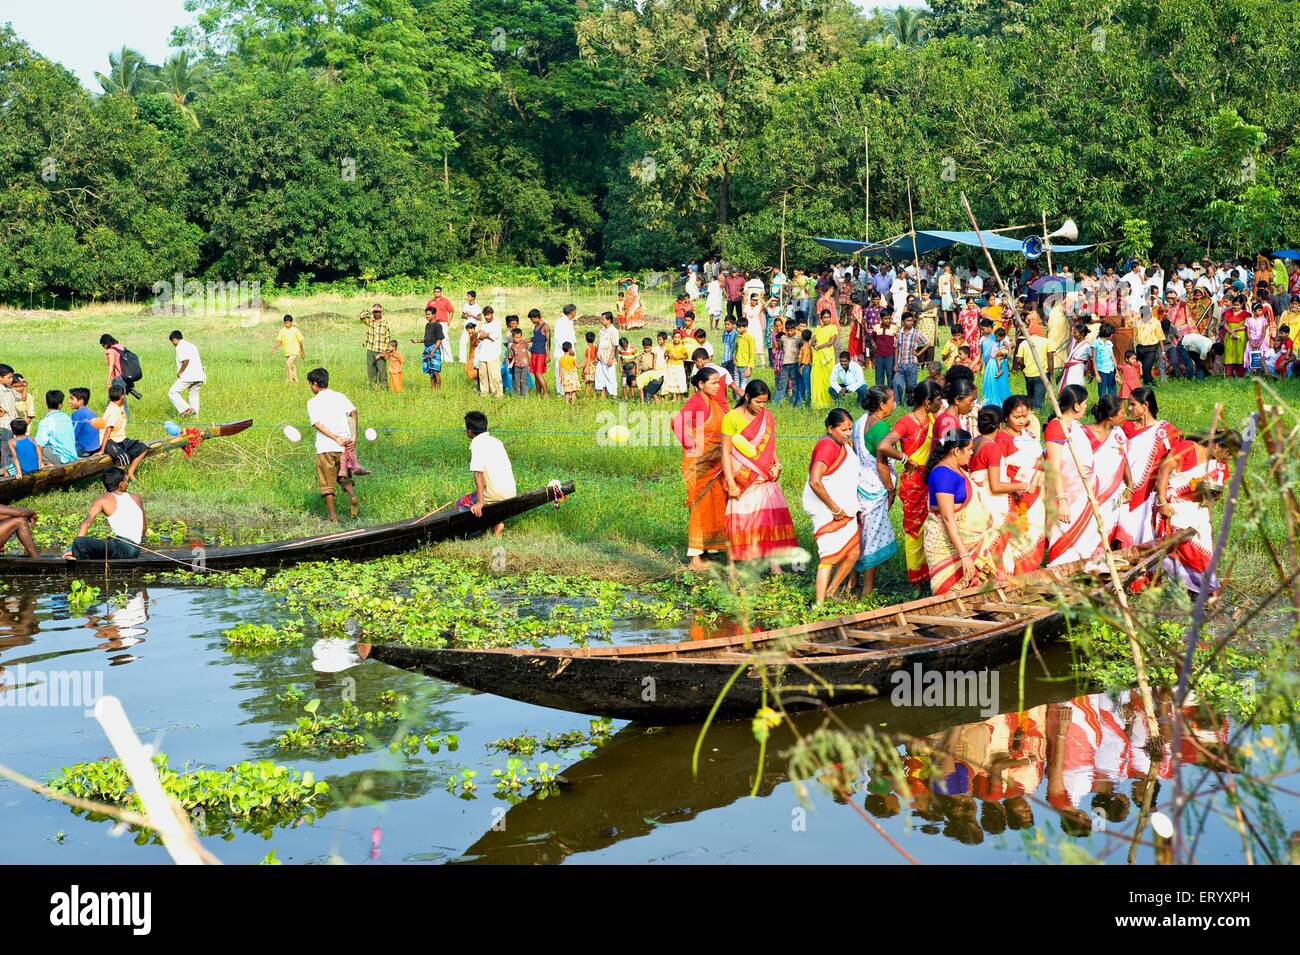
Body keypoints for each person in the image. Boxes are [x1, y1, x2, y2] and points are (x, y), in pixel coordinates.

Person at [1155, 429, 1242, 598]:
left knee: (1206, 543)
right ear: (1218, 447)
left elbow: (1208, 498)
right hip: (1172, 504)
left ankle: (1202, 590)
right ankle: (1205, 590)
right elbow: (1163, 472)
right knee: (1188, 544)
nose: (1229, 459)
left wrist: (1211, 495)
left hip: (1196, 510)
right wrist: (1162, 503)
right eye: (1229, 454)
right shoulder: (1188, 448)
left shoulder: (1218, 467)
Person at [720, 380, 799, 566]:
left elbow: (769, 445)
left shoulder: (766, 416)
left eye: (765, 402)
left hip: (765, 476)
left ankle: (774, 566)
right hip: (743, 478)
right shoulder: (731, 417)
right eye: (758, 402)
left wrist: (777, 464)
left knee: (769, 520)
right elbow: (725, 451)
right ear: (747, 397)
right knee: (743, 520)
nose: (762, 406)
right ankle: (737, 565)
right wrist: (731, 482)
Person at [877, 379, 944, 587]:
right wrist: (905, 459)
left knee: (933, 527)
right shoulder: (906, 422)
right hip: (914, 481)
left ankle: (933, 573)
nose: (941, 403)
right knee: (914, 530)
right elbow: (884, 445)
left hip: (931, 479)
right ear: (927, 402)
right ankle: (916, 580)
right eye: (938, 399)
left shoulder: (936, 420)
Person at [923, 427, 1000, 595]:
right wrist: (964, 556)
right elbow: (947, 517)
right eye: (969, 449)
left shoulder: (956, 469)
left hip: (966, 539)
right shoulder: (943, 475)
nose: (972, 453)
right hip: (947, 544)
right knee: (950, 592)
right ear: (956, 451)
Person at [671, 367, 729, 570]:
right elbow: (677, 422)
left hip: (716, 464)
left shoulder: (712, 402)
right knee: (699, 508)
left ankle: (707, 551)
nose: (717, 386)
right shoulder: (696, 402)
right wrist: (691, 445)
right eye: (713, 383)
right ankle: (695, 558)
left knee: (714, 506)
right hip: (700, 465)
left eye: (718, 382)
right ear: (701, 384)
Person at [804, 409, 861, 603]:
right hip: (827, 508)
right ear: (830, 429)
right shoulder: (827, 447)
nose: (847, 433)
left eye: (850, 429)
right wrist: (835, 509)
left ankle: (831, 590)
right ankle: (819, 605)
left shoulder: (843, 444)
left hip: (843, 506)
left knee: (853, 551)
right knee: (827, 557)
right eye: (843, 429)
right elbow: (815, 482)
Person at [1045, 384, 1102, 566]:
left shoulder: (1075, 426)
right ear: (1076, 406)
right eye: (1084, 403)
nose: (1086, 407)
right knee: (1064, 536)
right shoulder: (1056, 427)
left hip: (1083, 494)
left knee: (1085, 540)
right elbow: (1054, 467)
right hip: (1066, 495)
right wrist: (1061, 500)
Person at [1117, 387, 1180, 548]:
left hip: (1153, 493)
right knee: (1125, 532)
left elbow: (1176, 463)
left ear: (1145, 406)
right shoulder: (1125, 428)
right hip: (1127, 489)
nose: (1129, 409)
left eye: (1132, 405)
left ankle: (1145, 571)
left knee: (1146, 532)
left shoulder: (1166, 431)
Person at [852, 386, 901, 595]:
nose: (895, 404)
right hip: (876, 487)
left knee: (858, 535)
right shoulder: (881, 428)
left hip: (859, 483)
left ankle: (851, 583)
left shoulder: (859, 422)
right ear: (882, 405)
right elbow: (882, 465)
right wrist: (890, 489)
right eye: (892, 400)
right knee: (872, 538)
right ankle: (867, 591)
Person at [306, 367, 359, 522]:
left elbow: (317, 424)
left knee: (327, 484)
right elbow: (354, 413)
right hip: (345, 447)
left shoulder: (312, 402)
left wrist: (335, 437)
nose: (311, 388)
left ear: (315, 384)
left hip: (325, 448)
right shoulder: (340, 397)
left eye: (311, 384)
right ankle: (352, 496)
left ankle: (333, 518)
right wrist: (354, 437)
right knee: (344, 476)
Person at [60, 467, 145, 561]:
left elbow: (86, 524)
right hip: (136, 550)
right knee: (106, 544)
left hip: (122, 549)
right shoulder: (136, 498)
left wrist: (74, 547)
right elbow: (144, 527)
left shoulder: (102, 500)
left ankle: (74, 554)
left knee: (79, 542)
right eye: (126, 481)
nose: (126, 483)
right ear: (121, 484)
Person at [1084, 395, 1133, 549]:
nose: (1125, 416)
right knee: (1091, 533)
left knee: (1111, 532)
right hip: (1091, 494)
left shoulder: (1118, 434)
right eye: (1122, 413)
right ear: (1110, 417)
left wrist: (1130, 486)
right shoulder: (1084, 434)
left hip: (1114, 494)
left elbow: (1123, 461)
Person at [457, 411, 517, 535]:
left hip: (495, 494)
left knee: (460, 504)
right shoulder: (496, 441)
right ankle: (495, 522)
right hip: (511, 492)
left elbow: (478, 474)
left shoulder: (477, 444)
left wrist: (480, 502)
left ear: (470, 431)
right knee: (480, 499)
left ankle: (486, 527)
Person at [98, 385, 149, 482]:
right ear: (122, 397)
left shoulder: (118, 406)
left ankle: (130, 472)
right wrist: (102, 449)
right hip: (109, 441)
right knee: (123, 457)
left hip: (121, 439)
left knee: (144, 446)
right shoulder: (113, 411)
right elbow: (108, 431)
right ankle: (120, 480)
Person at [892, 312, 928, 407]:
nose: (910, 322)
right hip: (900, 364)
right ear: (903, 322)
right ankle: (897, 403)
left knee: (911, 386)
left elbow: (927, 343)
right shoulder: (899, 333)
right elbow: (896, 348)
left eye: (912, 320)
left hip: (912, 364)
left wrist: (918, 353)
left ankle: (908, 404)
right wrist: (896, 364)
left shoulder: (916, 333)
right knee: (898, 384)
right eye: (908, 320)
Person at [168, 330, 206, 416]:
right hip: (199, 375)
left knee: (172, 392)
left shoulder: (180, 346)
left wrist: (180, 372)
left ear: (174, 340)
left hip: (189, 375)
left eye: (172, 342)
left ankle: (187, 409)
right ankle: (195, 417)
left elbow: (186, 360)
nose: (173, 344)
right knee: (194, 395)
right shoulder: (192, 346)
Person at [34, 390, 77, 466]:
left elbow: (39, 445)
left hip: (61, 459)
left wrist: (39, 462)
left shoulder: (46, 421)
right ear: (60, 405)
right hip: (72, 456)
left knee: (32, 445)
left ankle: (46, 464)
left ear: (46, 403)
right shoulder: (66, 417)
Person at [810, 309, 839, 409]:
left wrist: (819, 346)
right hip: (818, 356)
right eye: (824, 317)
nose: (827, 319)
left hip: (828, 357)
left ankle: (829, 401)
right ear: (821, 318)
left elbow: (831, 342)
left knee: (828, 379)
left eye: (828, 317)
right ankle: (818, 403)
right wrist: (815, 345)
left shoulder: (833, 328)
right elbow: (812, 342)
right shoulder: (818, 328)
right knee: (816, 378)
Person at [413, 306, 445, 391]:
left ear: (434, 315)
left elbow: (439, 340)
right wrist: (417, 341)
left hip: (434, 349)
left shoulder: (438, 325)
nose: (427, 316)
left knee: (436, 371)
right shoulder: (427, 325)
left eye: (429, 314)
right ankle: (433, 390)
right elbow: (427, 339)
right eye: (426, 314)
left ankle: (438, 390)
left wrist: (433, 351)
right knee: (430, 372)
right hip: (427, 349)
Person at [474, 307, 503, 397]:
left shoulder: (497, 324)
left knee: (494, 377)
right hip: (483, 354)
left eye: (488, 315)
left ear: (492, 313)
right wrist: (486, 334)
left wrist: (485, 334)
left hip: (493, 354)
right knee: (483, 376)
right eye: (485, 315)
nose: (487, 317)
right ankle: (484, 394)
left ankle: (498, 395)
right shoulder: (484, 325)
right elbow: (479, 336)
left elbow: (493, 336)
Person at [360, 304, 391, 386]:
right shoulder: (369, 321)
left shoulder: (385, 322)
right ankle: (372, 387)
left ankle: (384, 387)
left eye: (378, 312)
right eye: (375, 312)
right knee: (371, 370)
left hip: (381, 350)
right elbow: (361, 316)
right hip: (370, 349)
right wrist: (369, 311)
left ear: (381, 312)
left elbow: (387, 337)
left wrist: (385, 351)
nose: (377, 313)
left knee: (382, 371)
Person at [1057, 323, 1091, 395]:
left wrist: (1090, 371)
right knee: (1067, 383)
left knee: (1074, 384)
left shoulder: (1087, 345)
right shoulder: (1074, 342)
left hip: (1077, 368)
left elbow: (1093, 358)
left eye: (1075, 333)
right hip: (1069, 367)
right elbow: (1069, 356)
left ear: (1082, 334)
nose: (1073, 334)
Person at [426, 286, 455, 366]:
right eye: (435, 291)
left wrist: (448, 322)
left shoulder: (445, 301)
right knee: (437, 341)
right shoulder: (431, 302)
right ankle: (441, 358)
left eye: (438, 292)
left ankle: (449, 359)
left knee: (445, 340)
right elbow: (427, 312)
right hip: (434, 323)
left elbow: (451, 311)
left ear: (441, 292)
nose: (437, 293)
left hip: (443, 323)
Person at [67, 388, 101, 457]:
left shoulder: (77, 414)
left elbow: (72, 435)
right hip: (95, 448)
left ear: (81, 401)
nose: (69, 401)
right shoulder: (93, 413)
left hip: (83, 449)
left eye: (72, 399)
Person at [524, 309, 550, 398]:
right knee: (535, 374)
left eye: (532, 319)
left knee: (539, 374)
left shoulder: (545, 326)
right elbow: (535, 337)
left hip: (540, 353)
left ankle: (547, 394)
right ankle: (538, 394)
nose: (532, 321)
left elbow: (548, 341)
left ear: (537, 317)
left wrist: (548, 354)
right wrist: (527, 340)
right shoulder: (536, 326)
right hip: (534, 352)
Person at [553, 304, 577, 395]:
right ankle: (561, 392)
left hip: (570, 352)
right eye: (575, 311)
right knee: (561, 372)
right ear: (571, 312)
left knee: (570, 372)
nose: (575, 313)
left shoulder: (570, 322)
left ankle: (569, 390)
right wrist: (568, 349)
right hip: (562, 352)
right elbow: (559, 338)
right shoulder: (561, 322)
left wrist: (574, 344)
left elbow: (571, 336)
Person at [981, 333, 1011, 406]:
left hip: (1000, 358)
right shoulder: (991, 340)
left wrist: (1007, 353)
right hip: (994, 362)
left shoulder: (1004, 340)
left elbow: (1009, 347)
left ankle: (1000, 370)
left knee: (1001, 384)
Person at [595, 312, 620, 398]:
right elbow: (599, 343)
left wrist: (611, 358)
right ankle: (603, 394)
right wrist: (596, 355)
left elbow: (615, 345)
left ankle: (614, 395)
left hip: (608, 358)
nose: (601, 321)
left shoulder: (613, 331)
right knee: (600, 376)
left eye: (603, 319)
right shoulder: (601, 330)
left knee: (611, 377)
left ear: (609, 320)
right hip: (601, 358)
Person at [275, 314, 306, 384]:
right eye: (285, 323)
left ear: (291, 322)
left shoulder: (295, 330)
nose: (286, 324)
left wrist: (302, 351)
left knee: (288, 363)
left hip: (295, 350)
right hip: (287, 351)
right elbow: (280, 341)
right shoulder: (282, 330)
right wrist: (275, 347)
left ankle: (290, 379)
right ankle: (296, 380)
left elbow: (300, 341)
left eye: (288, 323)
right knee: (292, 366)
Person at [1092, 323, 1117, 397]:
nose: (1112, 335)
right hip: (1101, 371)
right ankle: (1103, 406)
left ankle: (1112, 406)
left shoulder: (1109, 343)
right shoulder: (1096, 343)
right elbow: (1094, 360)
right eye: (1111, 333)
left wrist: (1117, 371)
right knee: (1102, 391)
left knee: (1112, 390)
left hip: (1111, 369)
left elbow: (1113, 357)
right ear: (1107, 333)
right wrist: (1097, 375)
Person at [459, 292, 483, 365]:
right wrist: (466, 315)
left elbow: (480, 318)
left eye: (469, 296)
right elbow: (462, 316)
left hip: (474, 327)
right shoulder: (465, 305)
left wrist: (472, 315)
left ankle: (475, 359)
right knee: (462, 342)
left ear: (473, 297)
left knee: (474, 343)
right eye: (467, 296)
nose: (467, 297)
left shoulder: (477, 306)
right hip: (466, 326)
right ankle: (462, 360)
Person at [508, 328, 531, 397]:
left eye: (519, 337)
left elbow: (531, 349)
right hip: (517, 365)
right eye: (516, 338)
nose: (518, 339)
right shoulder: (512, 346)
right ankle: (517, 395)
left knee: (524, 380)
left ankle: (525, 395)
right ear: (513, 337)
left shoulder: (524, 343)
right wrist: (511, 363)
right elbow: (512, 356)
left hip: (525, 365)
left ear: (521, 336)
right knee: (516, 380)